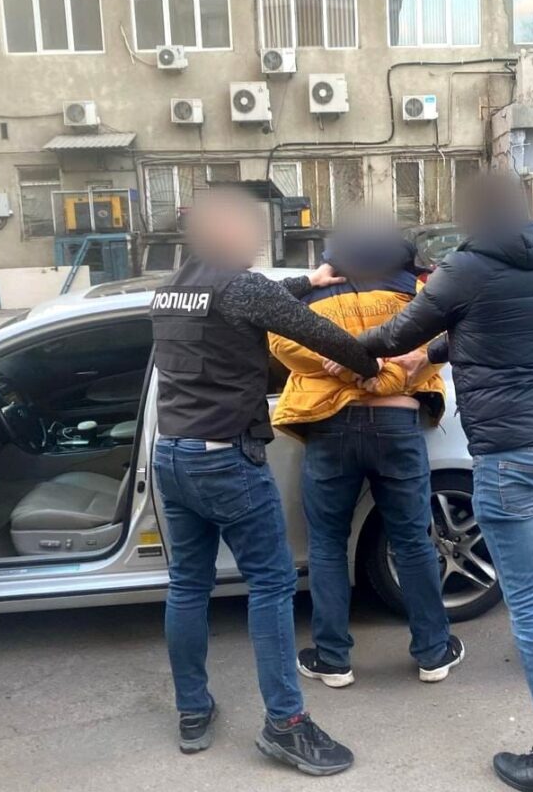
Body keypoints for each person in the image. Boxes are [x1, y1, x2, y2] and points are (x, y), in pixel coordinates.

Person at [358, 174, 533, 792]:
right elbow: (496, 325)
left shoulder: (468, 267)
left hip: (512, 455)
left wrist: (343, 347)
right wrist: (433, 355)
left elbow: (395, 334)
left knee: (530, 609)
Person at [150, 189, 379, 776]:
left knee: (187, 586)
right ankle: (286, 723)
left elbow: (263, 300)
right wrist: (372, 364)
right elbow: (317, 334)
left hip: (171, 455)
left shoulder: (172, 287)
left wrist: (309, 280)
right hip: (224, 459)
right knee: (273, 585)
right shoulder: (241, 287)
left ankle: (192, 711)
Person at [269, 213, 463, 690]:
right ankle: (433, 652)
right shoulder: (416, 292)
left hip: (330, 425)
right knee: (413, 540)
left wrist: (344, 365)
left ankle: (333, 659)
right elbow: (426, 352)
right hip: (396, 425)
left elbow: (280, 343)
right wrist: (381, 376)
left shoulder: (312, 292)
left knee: (327, 543)